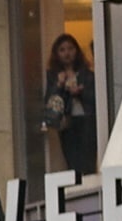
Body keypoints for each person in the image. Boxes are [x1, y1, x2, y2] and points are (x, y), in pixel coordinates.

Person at [42, 32, 99, 176]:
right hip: (67, 121)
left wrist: (79, 93)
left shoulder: (87, 75)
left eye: (70, 49)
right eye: (62, 50)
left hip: (86, 119)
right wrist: (59, 85)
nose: (67, 53)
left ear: (77, 51)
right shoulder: (53, 76)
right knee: (71, 157)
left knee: (88, 157)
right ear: (57, 54)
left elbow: (95, 99)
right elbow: (50, 100)